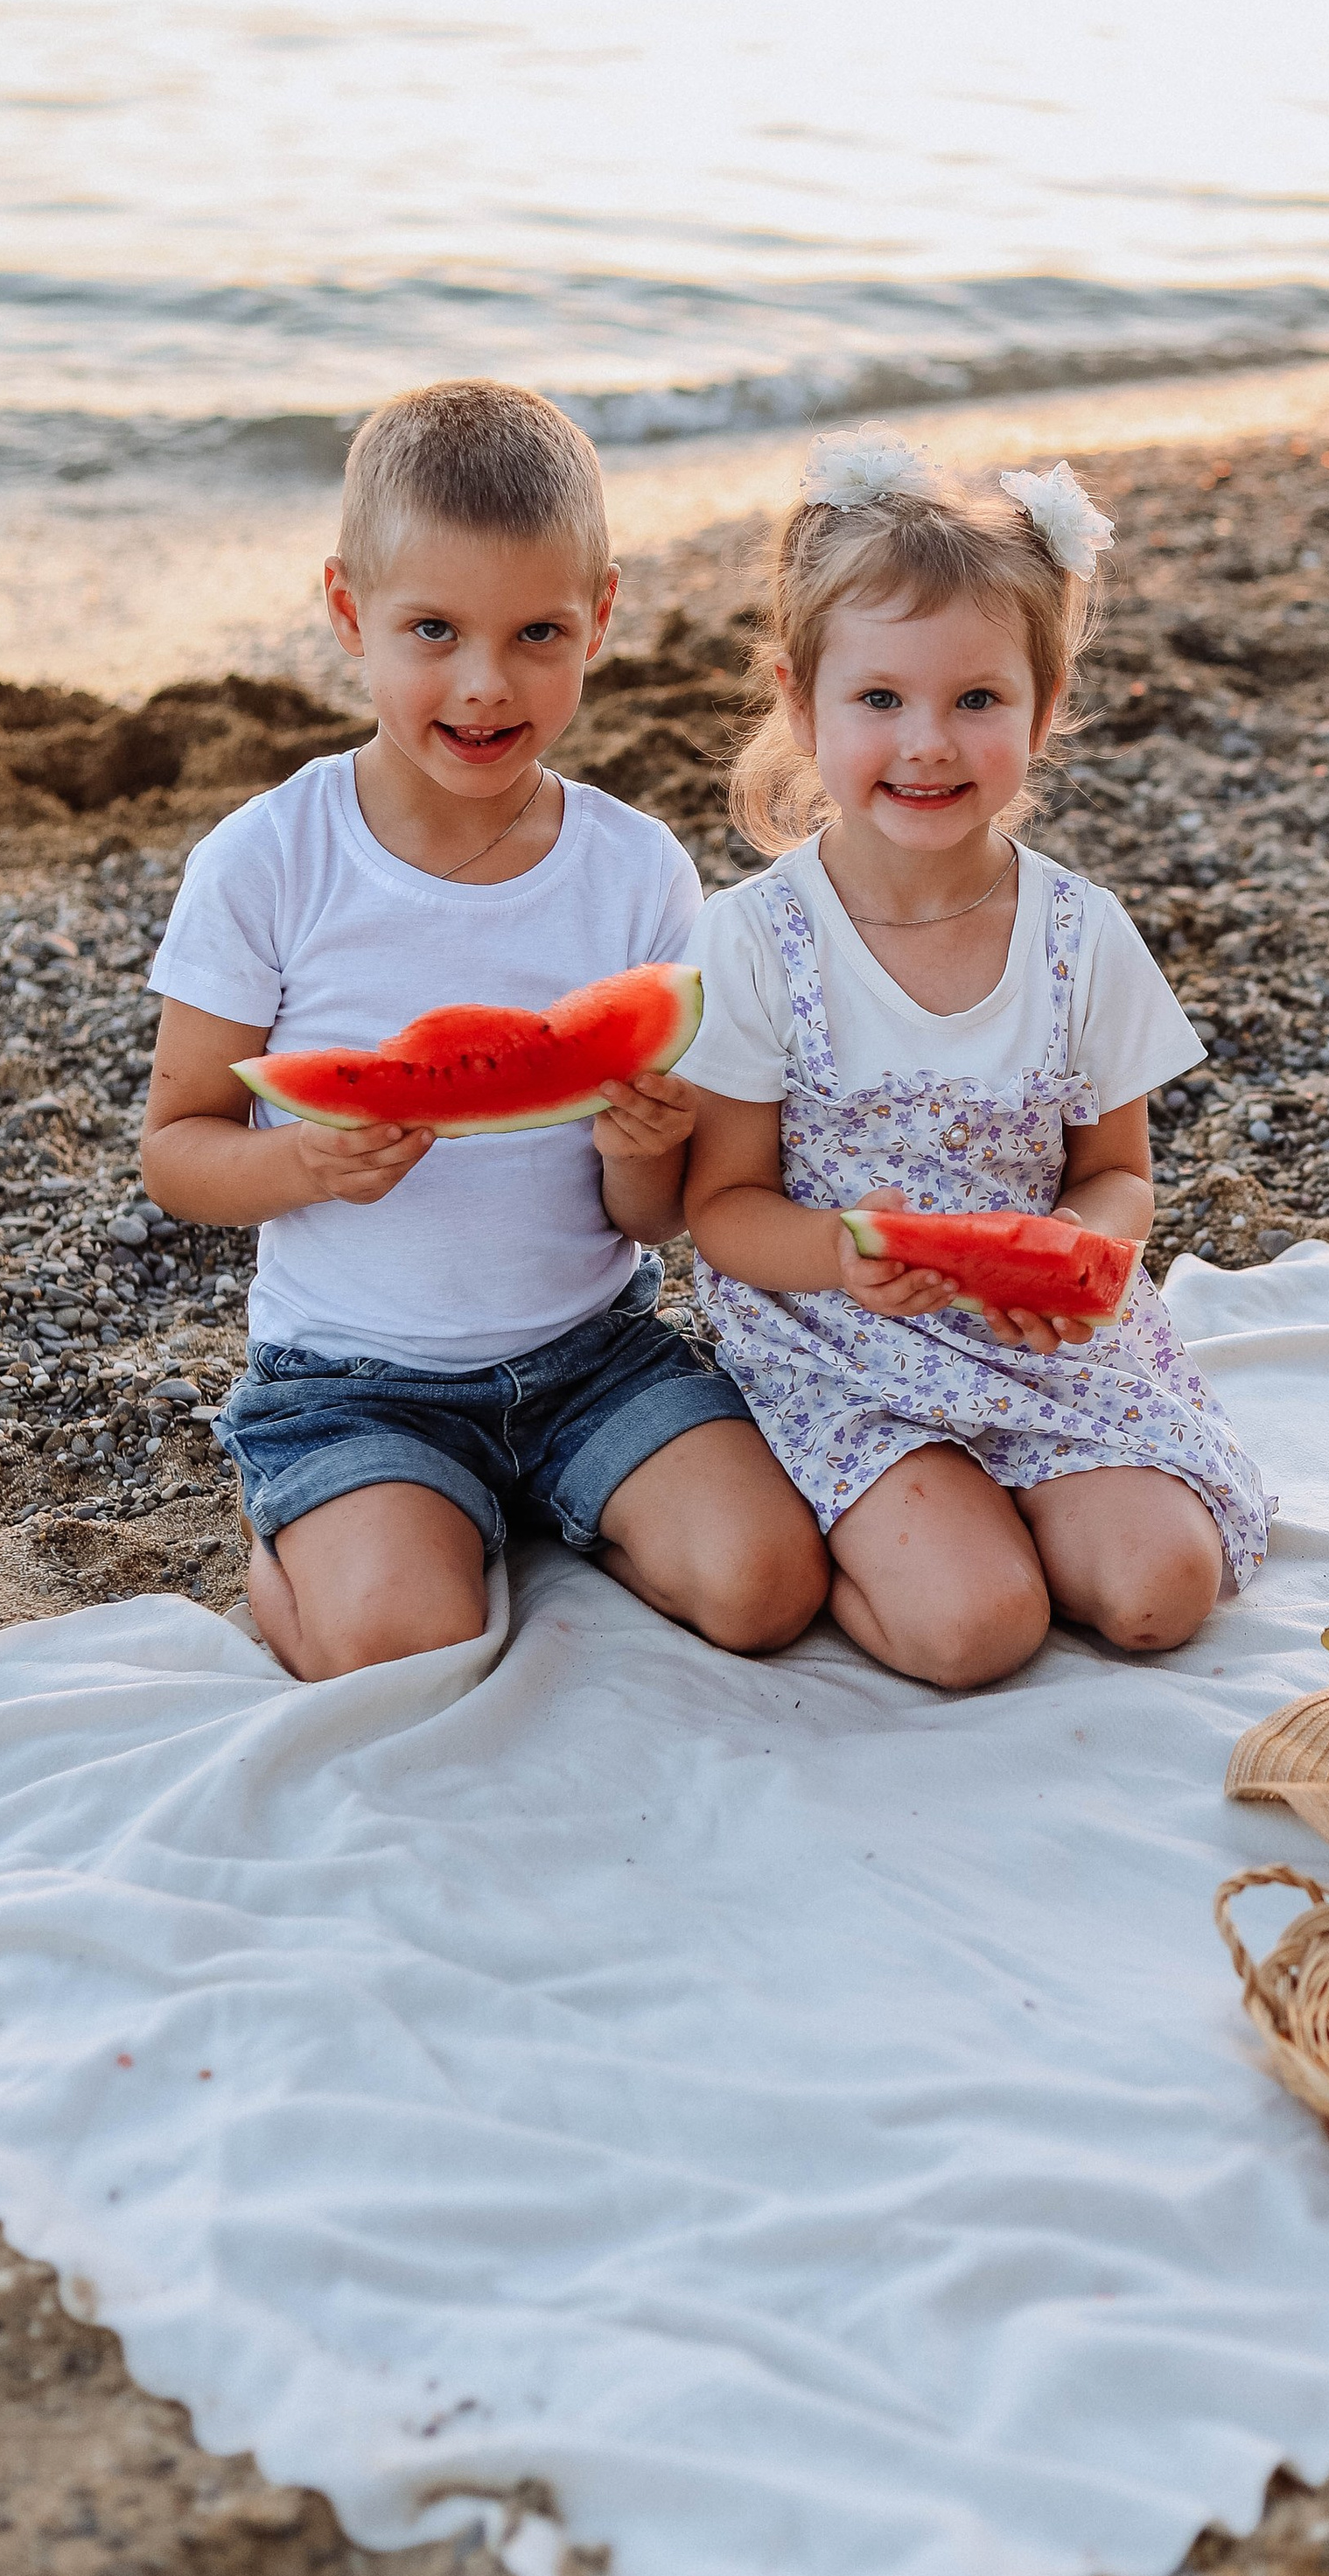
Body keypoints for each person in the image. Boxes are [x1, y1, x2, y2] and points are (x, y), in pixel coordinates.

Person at [141, 378, 829, 1681]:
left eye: (536, 635)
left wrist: (644, 1142)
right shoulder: (268, 861)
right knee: (399, 1641)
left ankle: (525, 1511)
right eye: (434, 630)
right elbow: (177, 1150)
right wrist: (306, 1161)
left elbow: (648, 1219)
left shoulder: (638, 873)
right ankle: (304, 1544)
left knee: (768, 1588)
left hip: (592, 1354)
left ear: (602, 617)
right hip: (350, 1377)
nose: (483, 684)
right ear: (348, 611)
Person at [681, 430, 1271, 1691]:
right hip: (841, 1333)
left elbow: (1117, 1174)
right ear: (801, 702)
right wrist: (843, 1250)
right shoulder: (753, 941)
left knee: (1167, 1592)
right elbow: (721, 1212)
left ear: (1045, 709)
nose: (929, 744)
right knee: (974, 1631)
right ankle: (878, 1549)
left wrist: (1074, 1254)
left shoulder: (1081, 933)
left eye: (977, 700)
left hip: (1040, 1330)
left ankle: (1008, 1516)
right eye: (881, 700)